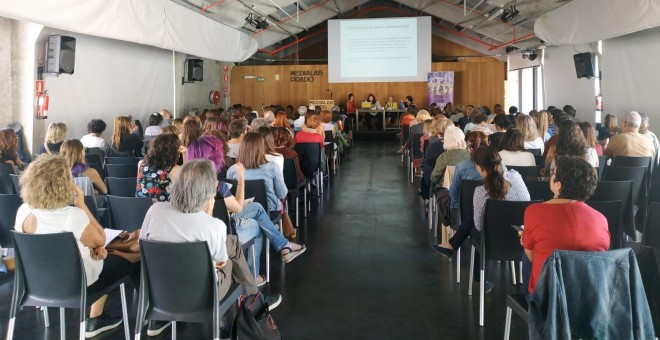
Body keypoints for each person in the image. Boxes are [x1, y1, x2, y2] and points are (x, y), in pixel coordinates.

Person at [140, 159, 280, 337]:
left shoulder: (154, 211)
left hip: (159, 292)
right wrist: (208, 215)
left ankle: (251, 301)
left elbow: (143, 246)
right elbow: (219, 263)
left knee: (230, 244)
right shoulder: (214, 226)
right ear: (208, 193)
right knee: (229, 255)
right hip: (203, 297)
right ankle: (239, 314)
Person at [15, 155, 138, 337]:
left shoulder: (23, 211)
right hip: (76, 286)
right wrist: (81, 204)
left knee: (103, 252)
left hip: (37, 284)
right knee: (131, 257)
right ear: (64, 184)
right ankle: (98, 317)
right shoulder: (72, 215)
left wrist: (93, 248)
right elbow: (101, 239)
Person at [433, 146, 530, 292]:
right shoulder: (516, 176)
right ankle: (453, 246)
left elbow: (478, 226)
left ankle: (478, 275)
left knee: (477, 221)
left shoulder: (480, 191)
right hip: (521, 240)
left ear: (479, 167)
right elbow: (526, 203)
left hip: (491, 243)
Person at [522, 157, 610, 293]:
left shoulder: (534, 211)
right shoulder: (601, 219)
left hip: (549, 300)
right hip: (590, 300)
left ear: (558, 184)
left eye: (553, 174)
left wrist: (525, 240)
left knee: (527, 255)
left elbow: (532, 256)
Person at [217, 162, 305, 284]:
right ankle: (256, 273)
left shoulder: (231, 170)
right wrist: (241, 180)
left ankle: (284, 246)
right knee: (257, 221)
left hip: (215, 225)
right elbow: (282, 193)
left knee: (257, 209)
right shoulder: (272, 166)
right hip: (230, 227)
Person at [435, 131, 488, 229]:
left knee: (440, 192)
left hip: (462, 213)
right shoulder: (499, 165)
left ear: (470, 148)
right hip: (489, 214)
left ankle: (451, 226)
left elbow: (453, 196)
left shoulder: (462, 167)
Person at [136, 134, 181, 202]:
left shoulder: (141, 164)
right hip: (163, 211)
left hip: (141, 209)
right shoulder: (175, 170)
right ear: (173, 152)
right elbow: (185, 191)